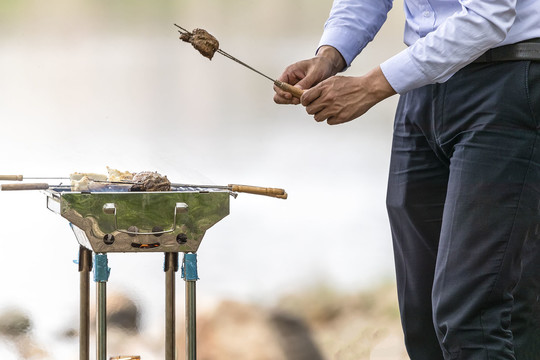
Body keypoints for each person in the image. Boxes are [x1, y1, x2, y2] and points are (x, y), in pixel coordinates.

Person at [274, 1, 540, 359]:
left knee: (473, 315)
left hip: (507, 81)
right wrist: (330, 55)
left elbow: (488, 15)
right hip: (422, 84)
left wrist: (371, 85)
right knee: (422, 319)